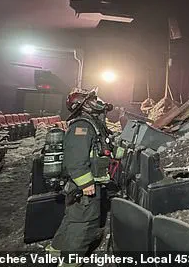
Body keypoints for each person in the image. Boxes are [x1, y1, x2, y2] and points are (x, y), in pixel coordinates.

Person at [47, 87, 119, 265]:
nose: (99, 101)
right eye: (93, 99)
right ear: (84, 105)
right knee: (84, 224)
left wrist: (123, 152)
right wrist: (85, 183)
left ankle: (55, 250)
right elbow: (75, 159)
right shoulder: (82, 126)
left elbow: (104, 149)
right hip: (83, 185)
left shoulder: (92, 124)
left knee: (74, 218)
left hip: (85, 184)